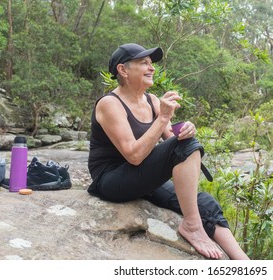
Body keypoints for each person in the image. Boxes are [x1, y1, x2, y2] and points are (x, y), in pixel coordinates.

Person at [87, 43, 249, 260]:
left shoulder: (152, 100)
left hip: (139, 177)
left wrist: (186, 132)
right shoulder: (110, 103)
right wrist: (163, 117)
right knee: (185, 148)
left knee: (205, 203)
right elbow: (133, 156)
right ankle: (192, 226)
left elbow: (174, 145)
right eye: (143, 63)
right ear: (123, 70)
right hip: (111, 180)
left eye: (151, 63)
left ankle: (244, 262)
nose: (151, 67)